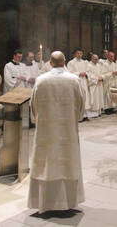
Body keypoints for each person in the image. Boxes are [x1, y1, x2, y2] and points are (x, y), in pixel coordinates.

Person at [28, 51, 85, 213]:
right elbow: (81, 105)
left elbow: (33, 107)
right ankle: (68, 202)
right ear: (64, 62)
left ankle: (46, 203)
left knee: (46, 164)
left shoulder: (41, 80)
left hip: (46, 132)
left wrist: (39, 120)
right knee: (68, 163)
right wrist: (75, 118)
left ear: (50, 63)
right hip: (67, 131)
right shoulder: (74, 80)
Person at [67, 48, 91, 120]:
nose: (79, 55)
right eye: (78, 53)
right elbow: (69, 73)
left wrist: (86, 73)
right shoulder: (71, 63)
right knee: (78, 98)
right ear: (74, 54)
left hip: (84, 81)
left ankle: (85, 115)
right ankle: (78, 116)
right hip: (76, 82)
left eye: (81, 53)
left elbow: (89, 71)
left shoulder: (85, 62)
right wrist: (79, 73)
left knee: (85, 98)